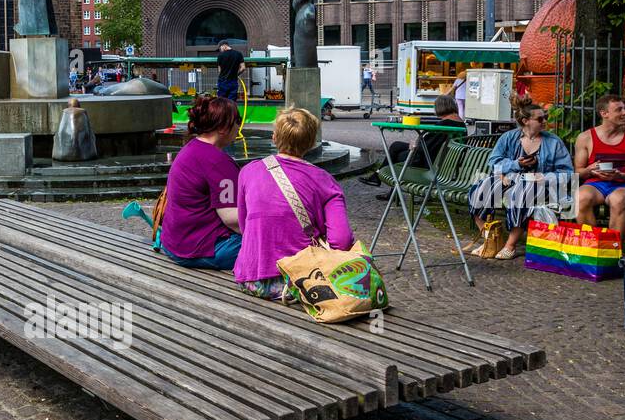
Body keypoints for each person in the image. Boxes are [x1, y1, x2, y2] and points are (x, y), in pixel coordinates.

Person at [234, 107, 354, 300]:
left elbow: (243, 225)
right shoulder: (324, 181)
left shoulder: (248, 171)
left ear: (274, 137)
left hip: (249, 279)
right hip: (300, 283)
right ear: (311, 143)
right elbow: (342, 241)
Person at [466, 95, 574, 259]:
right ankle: (490, 240)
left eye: (545, 117)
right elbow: (494, 163)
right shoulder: (509, 138)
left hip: (542, 185)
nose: (544, 121)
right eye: (540, 119)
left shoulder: (553, 142)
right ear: (525, 121)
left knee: (522, 192)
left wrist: (544, 177)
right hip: (509, 179)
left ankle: (510, 244)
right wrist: (516, 164)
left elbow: (567, 172)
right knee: (481, 188)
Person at [159, 95, 242, 269]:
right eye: (237, 121)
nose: (239, 126)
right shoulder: (218, 162)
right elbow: (232, 219)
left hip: (173, 244)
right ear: (222, 127)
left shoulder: (191, 148)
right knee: (271, 243)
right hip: (203, 249)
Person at [574, 94, 625, 239]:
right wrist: (590, 170)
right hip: (596, 184)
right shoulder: (585, 138)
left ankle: (614, 250)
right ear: (604, 114)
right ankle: (591, 246)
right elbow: (578, 171)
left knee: (618, 199)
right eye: (619, 110)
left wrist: (621, 175)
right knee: (580, 197)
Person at [362, 93, 464, 189]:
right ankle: (377, 176)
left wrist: (414, 145)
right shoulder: (460, 124)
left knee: (398, 155)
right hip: (446, 159)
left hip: (431, 161)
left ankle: (384, 183)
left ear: (440, 107)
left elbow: (424, 148)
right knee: (396, 146)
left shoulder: (443, 126)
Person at [216, 39, 245, 103]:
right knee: (231, 103)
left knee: (221, 103)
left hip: (223, 82)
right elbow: (243, 68)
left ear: (224, 46)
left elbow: (219, 70)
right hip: (233, 82)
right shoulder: (238, 54)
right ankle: (231, 113)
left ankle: (222, 113)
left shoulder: (220, 56)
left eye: (220, 49)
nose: (220, 51)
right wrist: (236, 74)